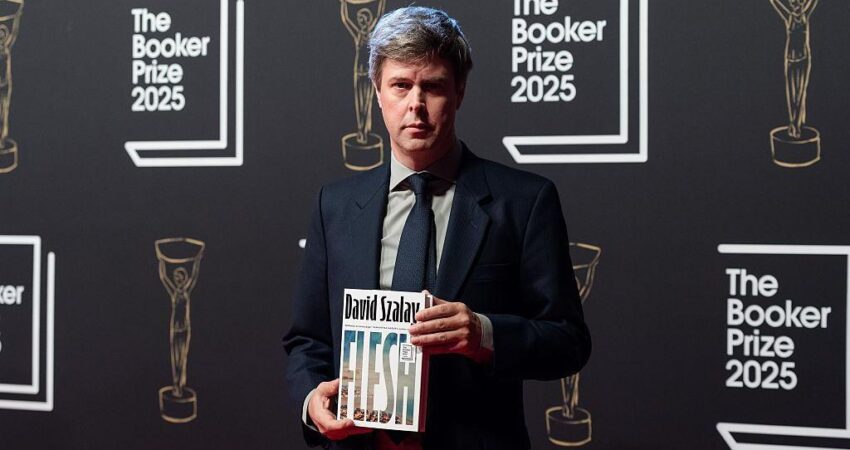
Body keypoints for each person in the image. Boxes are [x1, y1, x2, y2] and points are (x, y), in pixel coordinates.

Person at [283, 6, 591, 450]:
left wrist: (484, 333)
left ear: (459, 91)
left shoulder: (524, 201)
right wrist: (312, 399)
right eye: (400, 85)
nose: (416, 104)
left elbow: (568, 340)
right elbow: (307, 340)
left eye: (432, 86)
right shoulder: (334, 206)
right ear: (377, 92)